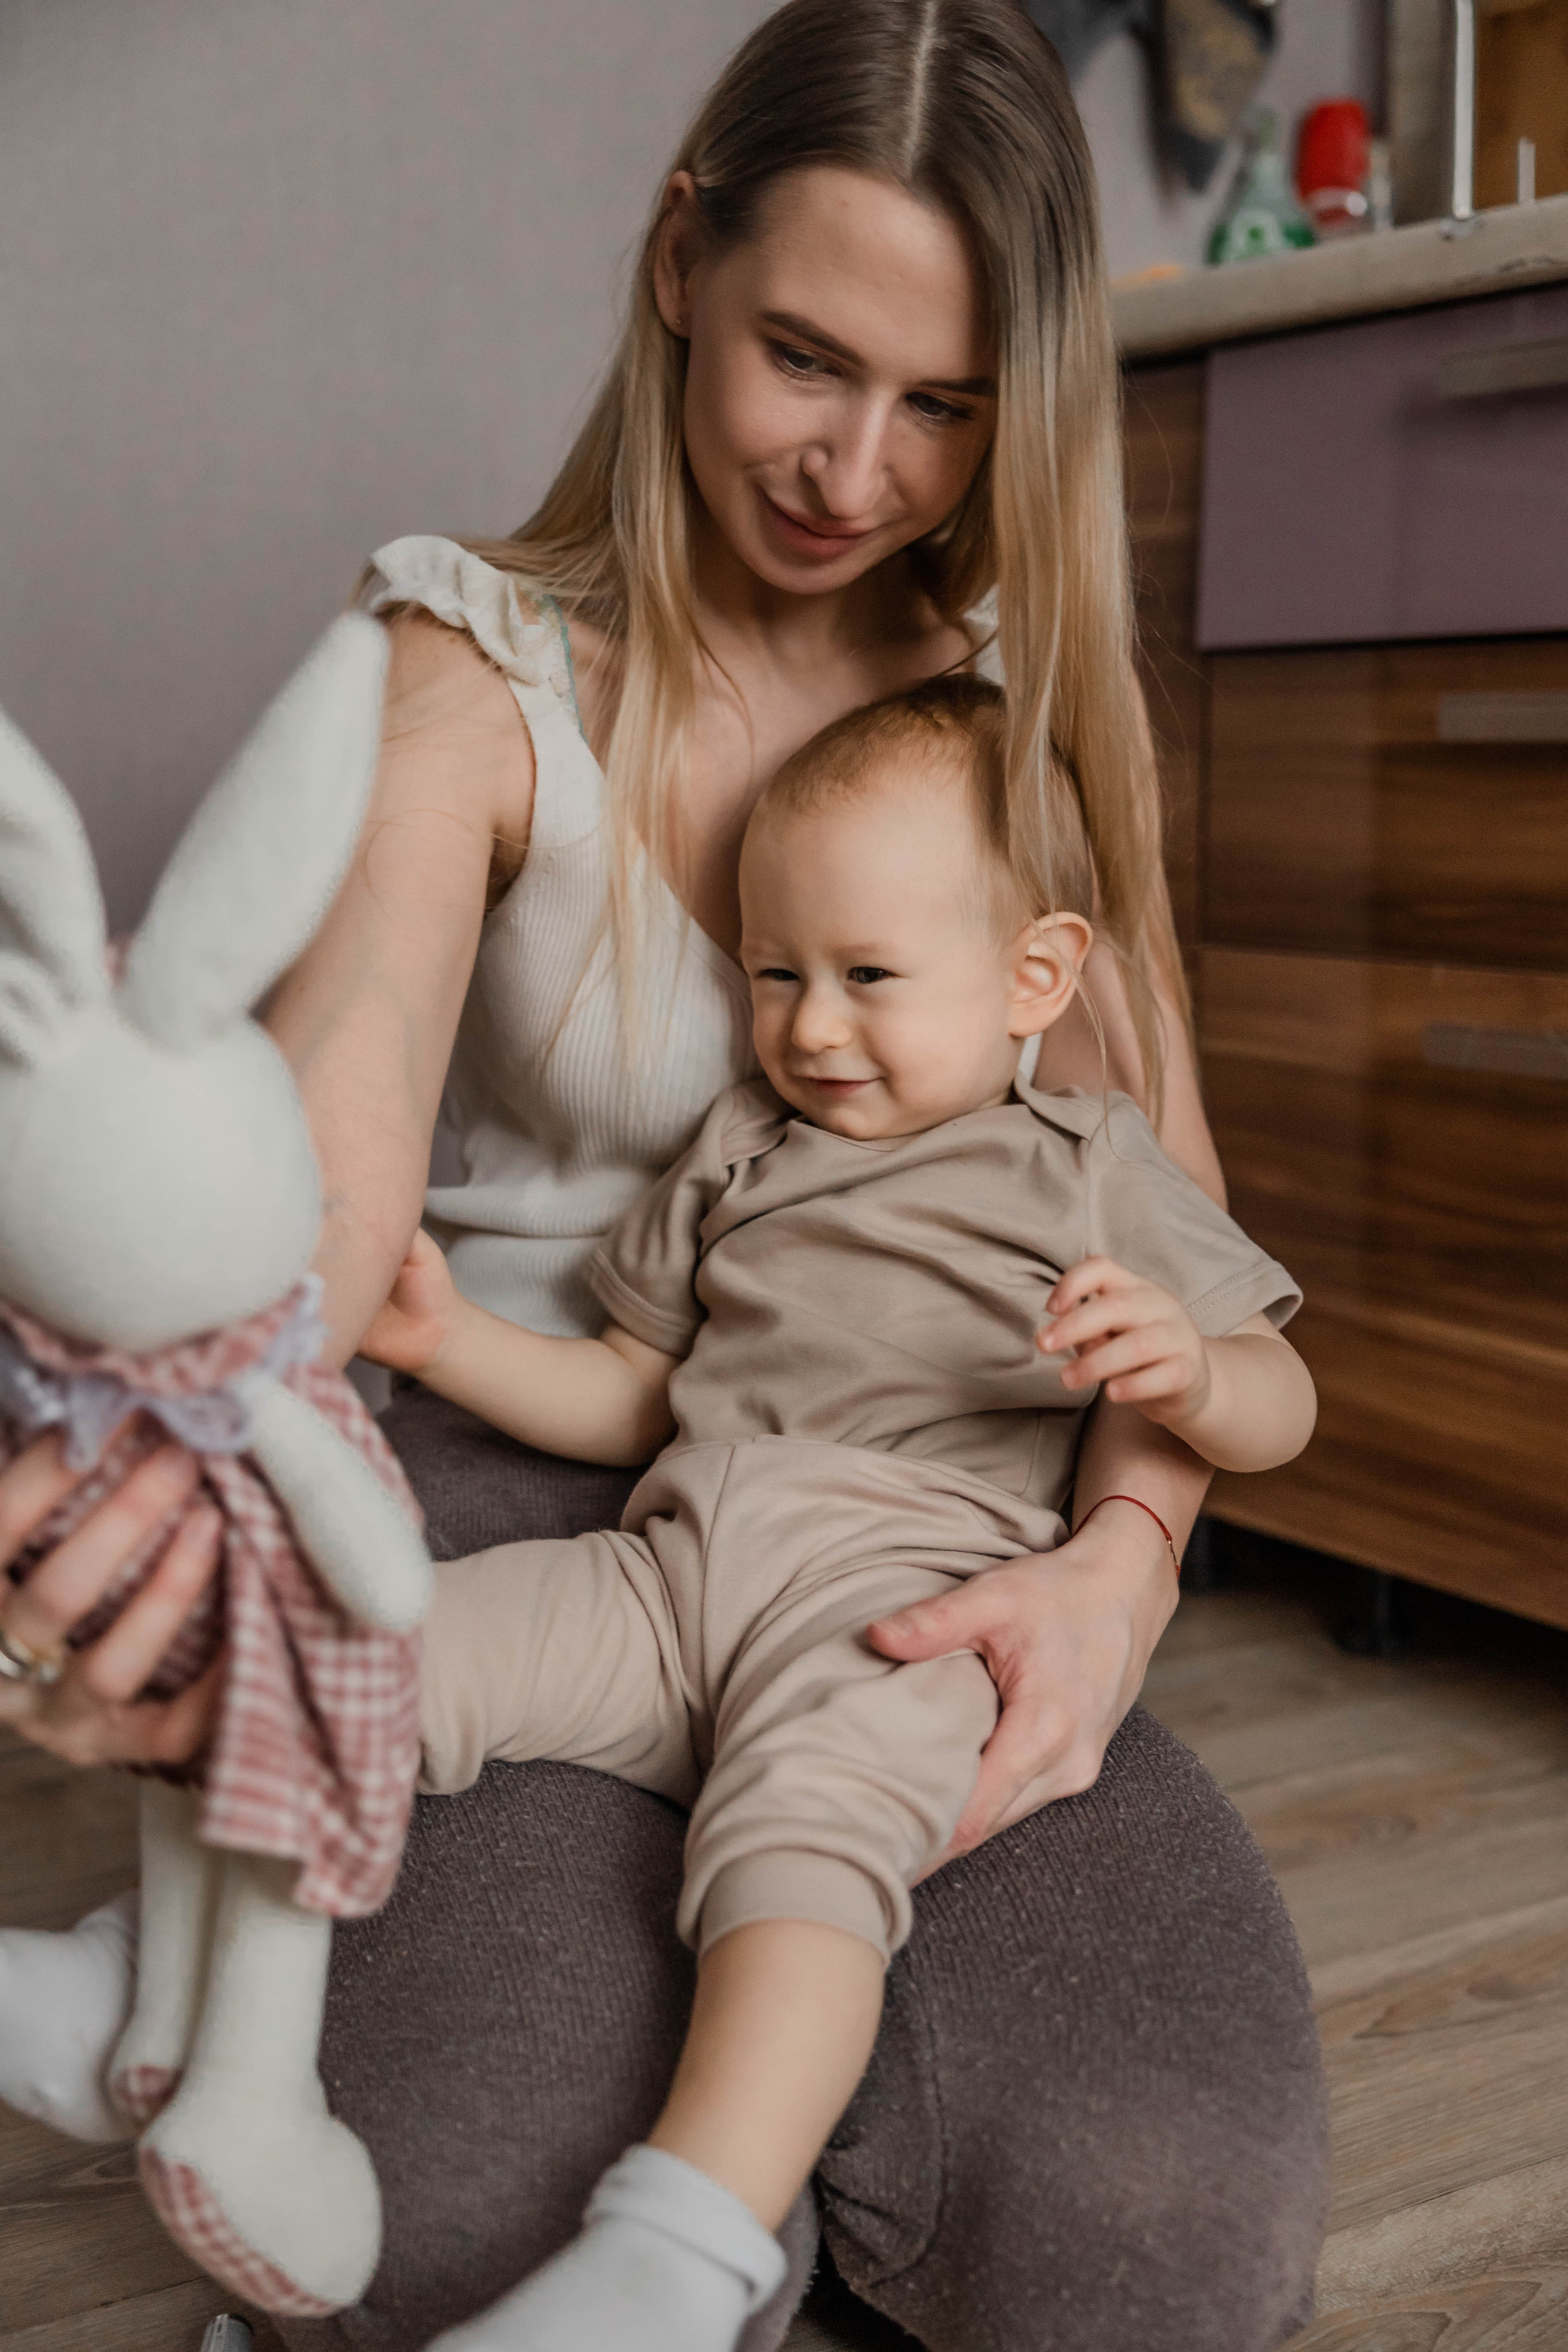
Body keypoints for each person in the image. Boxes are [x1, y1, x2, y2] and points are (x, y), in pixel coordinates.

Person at [0, 4, 1330, 2347]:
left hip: (927, 1537)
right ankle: (269, 2035)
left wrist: (1116, 1576)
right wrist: (198, 1475)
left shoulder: (1020, 734)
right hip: (539, 1469)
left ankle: (741, 2171)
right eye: (809, 358)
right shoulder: (468, 660)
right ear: (680, 263)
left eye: (944, 404)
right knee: (428, 2221)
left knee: (1165, 2241)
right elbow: (343, 1132)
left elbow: (1180, 1254)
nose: (858, 466)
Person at [346, 676, 1318, 2352]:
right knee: (397, 1657)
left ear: (1036, 976)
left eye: (868, 978)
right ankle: (163, 1967)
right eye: (777, 974)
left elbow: (1284, 1400)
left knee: (803, 1840)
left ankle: (684, 2241)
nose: (809, 1028)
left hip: (903, 1600)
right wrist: (453, 1341)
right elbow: (632, 1393)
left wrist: (1190, 1373)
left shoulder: (1082, 1163)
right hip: (672, 1561)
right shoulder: (746, 1148)